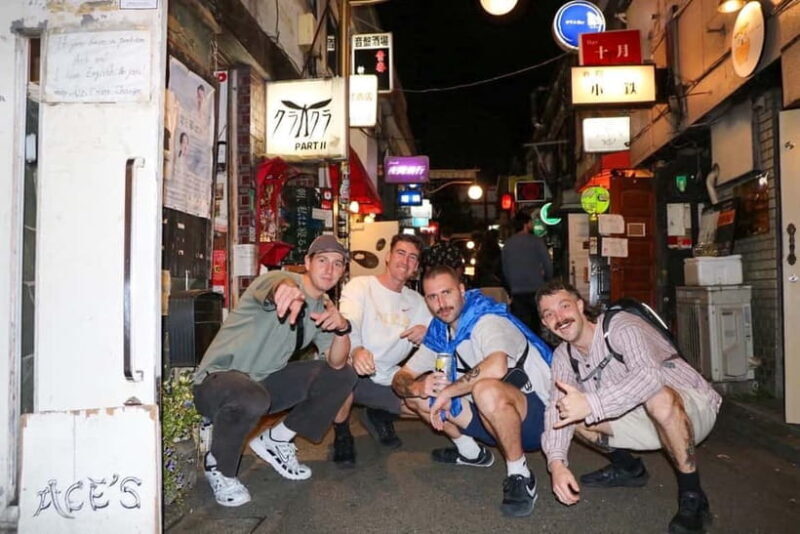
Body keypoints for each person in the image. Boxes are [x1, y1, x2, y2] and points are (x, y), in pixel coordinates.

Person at [536, 280, 721, 534]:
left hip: (690, 406)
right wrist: (556, 463)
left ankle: (692, 495)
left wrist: (591, 403)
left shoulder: (619, 325)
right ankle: (629, 468)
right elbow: (555, 410)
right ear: (546, 324)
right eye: (549, 314)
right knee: (567, 413)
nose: (560, 318)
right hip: (640, 416)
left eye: (564, 306)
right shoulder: (563, 356)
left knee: (657, 396)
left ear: (580, 306)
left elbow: (648, 378)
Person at [192, 235, 356, 507]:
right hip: (217, 382)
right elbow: (277, 286)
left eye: (337, 264)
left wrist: (342, 329)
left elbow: (337, 363)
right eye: (322, 260)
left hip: (262, 385)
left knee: (344, 375)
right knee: (250, 395)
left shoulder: (323, 307)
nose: (329, 269)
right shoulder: (278, 279)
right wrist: (286, 290)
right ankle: (219, 466)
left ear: (342, 271)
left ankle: (276, 440)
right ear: (307, 262)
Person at [392, 265, 553, 517]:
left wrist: (448, 392)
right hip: (488, 418)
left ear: (462, 290)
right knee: (420, 397)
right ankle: (472, 453)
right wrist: (416, 386)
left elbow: (496, 366)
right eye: (432, 297)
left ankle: (520, 473)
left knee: (485, 388)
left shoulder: (486, 320)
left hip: (535, 419)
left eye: (446, 293)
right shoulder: (441, 332)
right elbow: (401, 377)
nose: (441, 303)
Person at [330, 234, 431, 466]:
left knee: (426, 402)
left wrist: (428, 332)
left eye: (412, 258)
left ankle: (378, 414)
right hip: (350, 370)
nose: (405, 261)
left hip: (387, 375)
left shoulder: (419, 302)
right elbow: (349, 323)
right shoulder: (361, 286)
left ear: (416, 267)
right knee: (340, 374)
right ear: (388, 256)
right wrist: (356, 350)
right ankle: (342, 433)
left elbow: (443, 332)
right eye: (401, 253)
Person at [502, 210, 552, 335]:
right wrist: (547, 280)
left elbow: (505, 269)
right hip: (536, 288)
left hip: (517, 291)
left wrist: (511, 287)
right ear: (526, 224)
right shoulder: (536, 242)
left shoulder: (508, 244)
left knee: (522, 328)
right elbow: (547, 264)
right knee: (537, 327)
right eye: (531, 222)